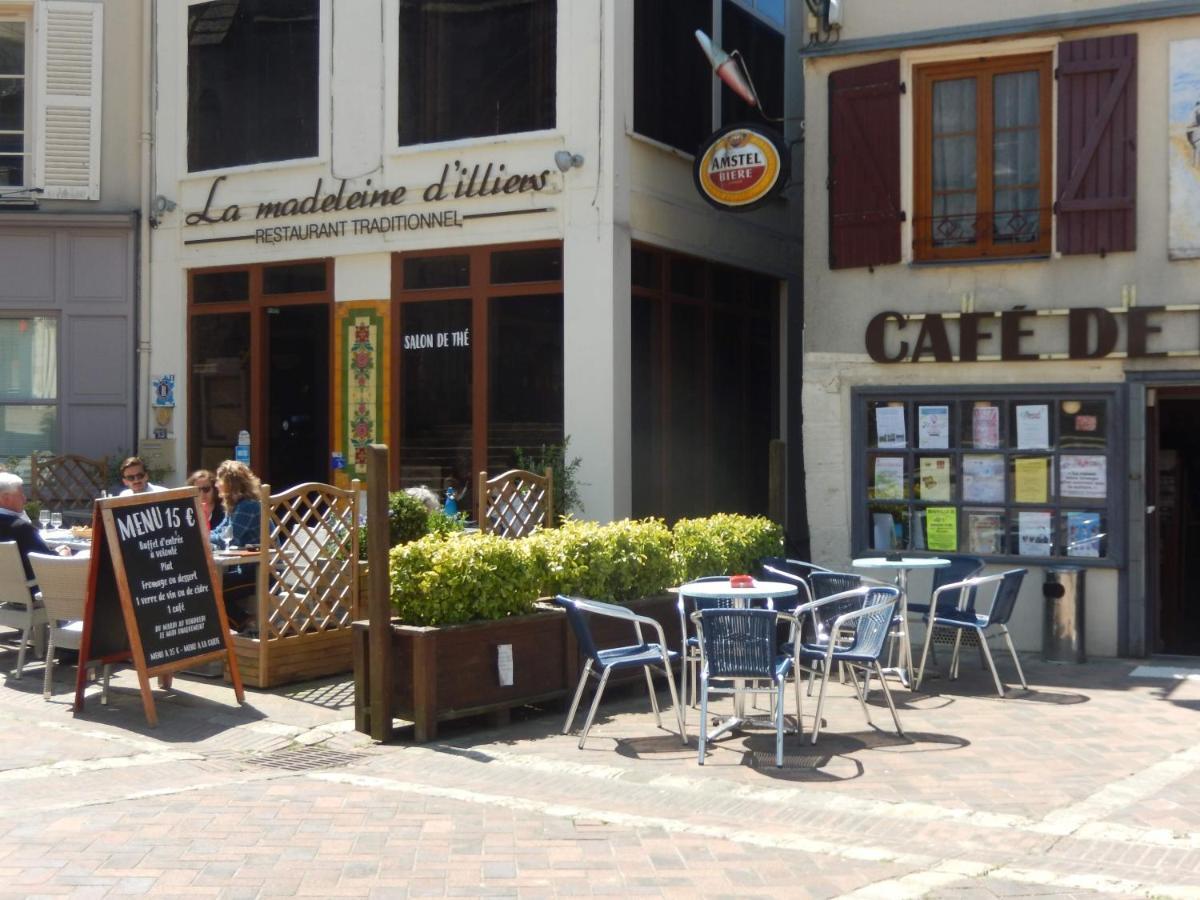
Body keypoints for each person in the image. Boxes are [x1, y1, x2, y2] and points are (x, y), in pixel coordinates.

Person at [210, 460, 261, 631]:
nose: (216, 485)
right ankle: (243, 624)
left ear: (230, 483)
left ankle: (245, 623)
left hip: (262, 575)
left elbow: (230, 539)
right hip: (246, 572)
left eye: (219, 480)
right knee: (208, 586)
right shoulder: (235, 507)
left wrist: (204, 536)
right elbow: (218, 533)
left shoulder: (248, 507)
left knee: (211, 592)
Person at [0, 473, 71, 595]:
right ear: (5, 498)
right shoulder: (20, 528)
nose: (24, 498)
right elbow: (50, 564)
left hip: (6, 594)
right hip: (34, 594)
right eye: (21, 494)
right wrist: (64, 553)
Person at [186, 468, 224, 533]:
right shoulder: (188, 511)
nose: (202, 494)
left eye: (206, 489)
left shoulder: (224, 510)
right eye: (197, 490)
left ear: (214, 489)